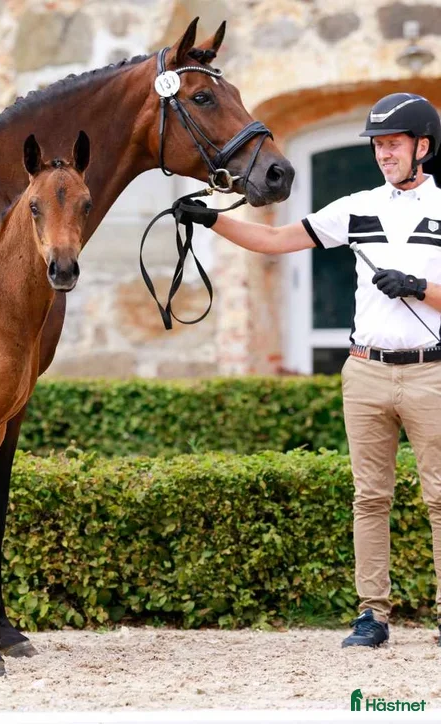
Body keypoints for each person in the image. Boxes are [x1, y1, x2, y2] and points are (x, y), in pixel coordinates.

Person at [176, 92, 441, 648]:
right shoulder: (358, 206)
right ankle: (372, 614)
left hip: (430, 373)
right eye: (378, 146)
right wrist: (210, 221)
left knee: (439, 497)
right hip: (365, 372)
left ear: (423, 147)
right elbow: (275, 241)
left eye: (392, 145)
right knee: (370, 498)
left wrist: (421, 288)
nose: (383, 155)